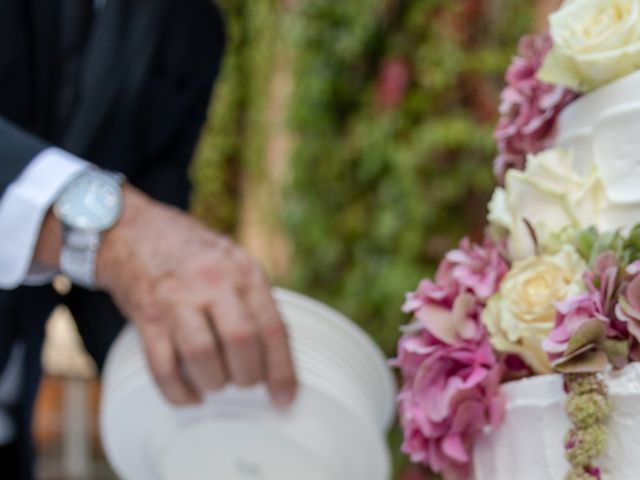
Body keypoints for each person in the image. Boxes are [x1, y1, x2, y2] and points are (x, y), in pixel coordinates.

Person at [0, 0, 297, 477]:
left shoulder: (194, 30)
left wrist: (206, 421)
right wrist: (113, 227)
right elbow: (130, 248)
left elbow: (131, 285)